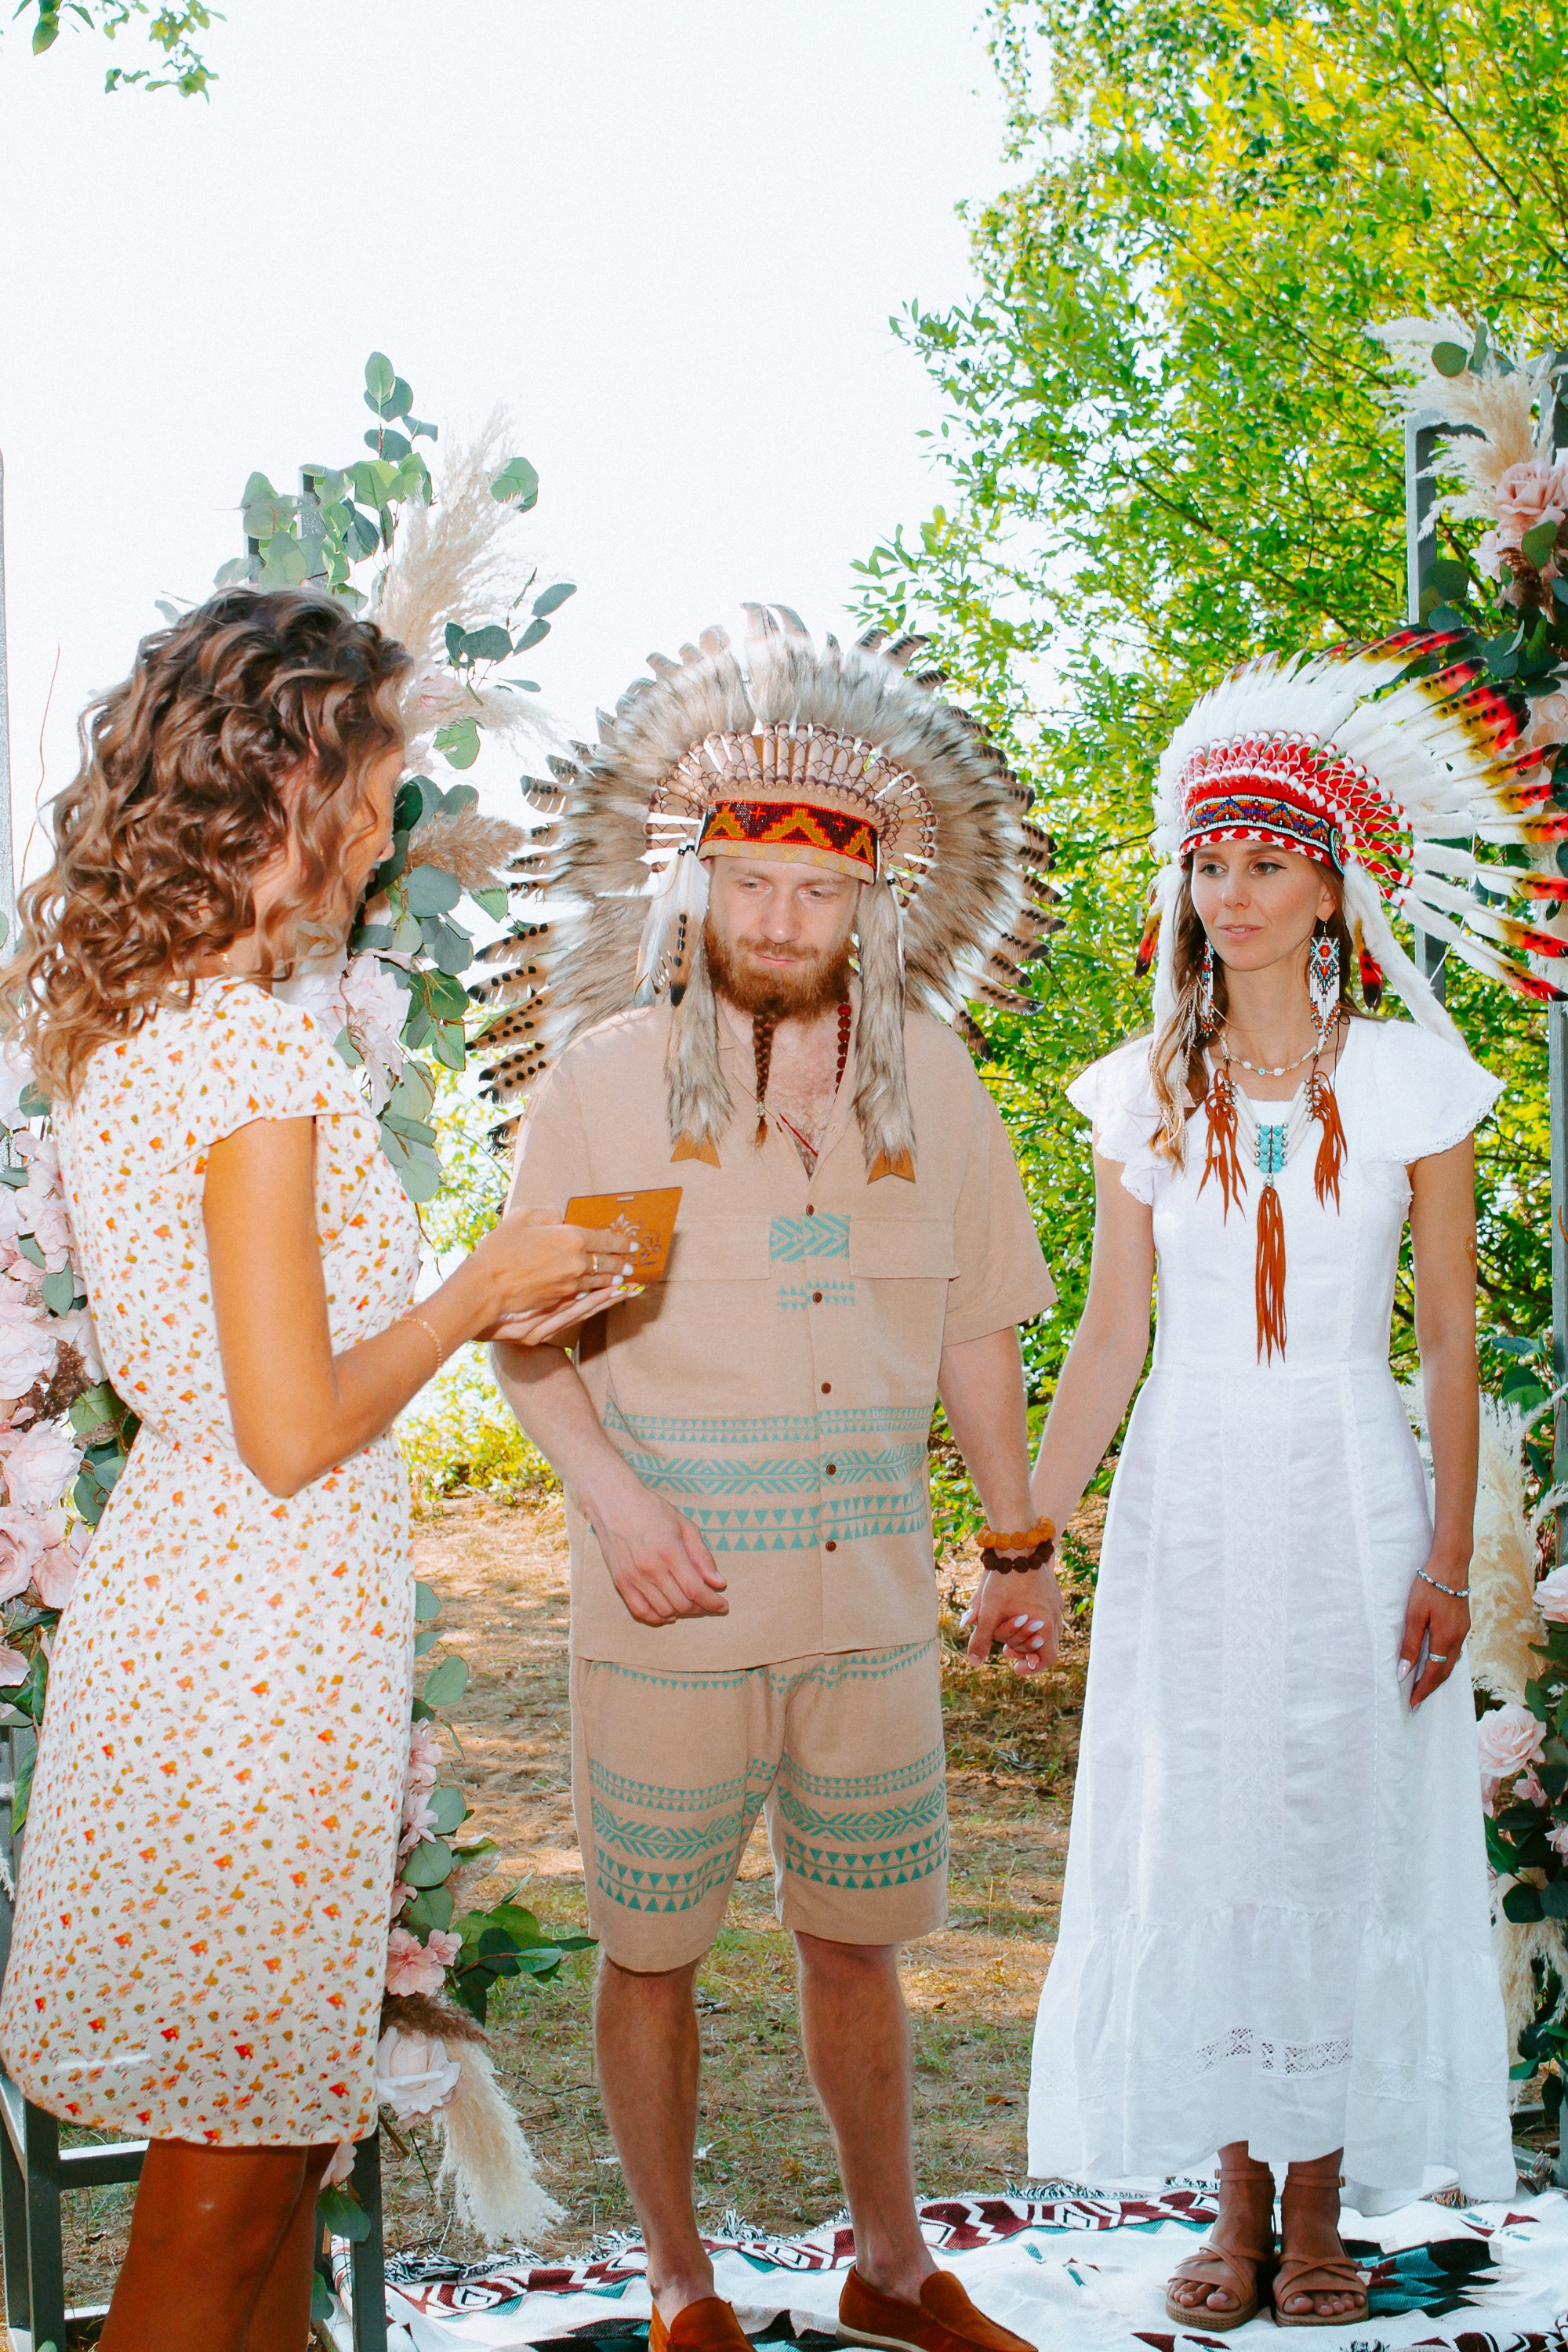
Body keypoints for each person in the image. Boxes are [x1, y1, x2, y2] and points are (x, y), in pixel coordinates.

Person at [0, 588, 622, 2352]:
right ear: (291, 781)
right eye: (379, 773)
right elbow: (289, 1424)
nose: (393, 816)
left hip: (210, 1610)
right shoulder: (257, 1054)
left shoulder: (132, 1030)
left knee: (272, 2155)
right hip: (256, 1644)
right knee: (214, 2201)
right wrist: (480, 1291)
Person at [488, 608, 1061, 2352]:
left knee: (857, 1939)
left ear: (870, 906)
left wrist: (1019, 1546)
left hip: (870, 1598)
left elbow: (975, 1336)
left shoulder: (941, 1089)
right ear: (698, 891)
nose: (778, 924)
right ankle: (679, 2287)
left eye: (815, 897)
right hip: (668, 1599)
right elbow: (525, 1349)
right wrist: (622, 1508)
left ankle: (890, 2273)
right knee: (650, 1949)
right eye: (748, 887)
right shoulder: (596, 1091)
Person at [1024, 635, 1535, 2329]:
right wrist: (1025, 1529)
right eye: (1210, 860)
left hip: (1349, 1488)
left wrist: (1452, 1553)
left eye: (1266, 862)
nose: (1229, 891)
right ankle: (1228, 2216)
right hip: (1190, 1498)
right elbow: (1107, 1341)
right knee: (1203, 1830)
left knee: (1331, 1829)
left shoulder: (1410, 1084)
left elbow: (1449, 1339)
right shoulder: (1138, 1091)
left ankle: (1318, 2220)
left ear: (1331, 892)